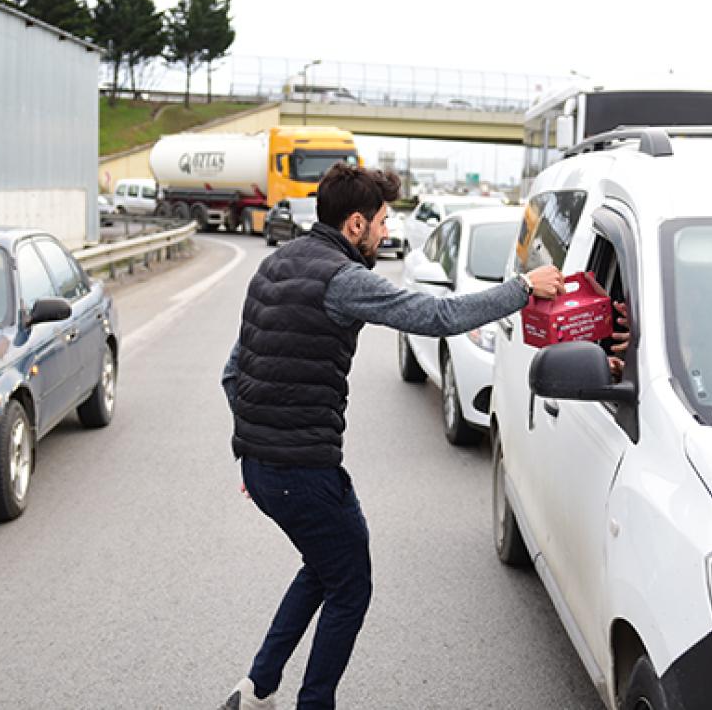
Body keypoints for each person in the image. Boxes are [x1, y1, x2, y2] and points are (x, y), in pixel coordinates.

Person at [218, 164, 563, 710]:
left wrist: (260, 450)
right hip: (299, 470)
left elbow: (234, 373)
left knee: (325, 566)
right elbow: (436, 315)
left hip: (265, 466)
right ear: (355, 224)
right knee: (351, 586)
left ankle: (257, 687)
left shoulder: (273, 264)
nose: (385, 233)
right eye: (380, 222)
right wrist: (523, 288)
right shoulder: (343, 279)